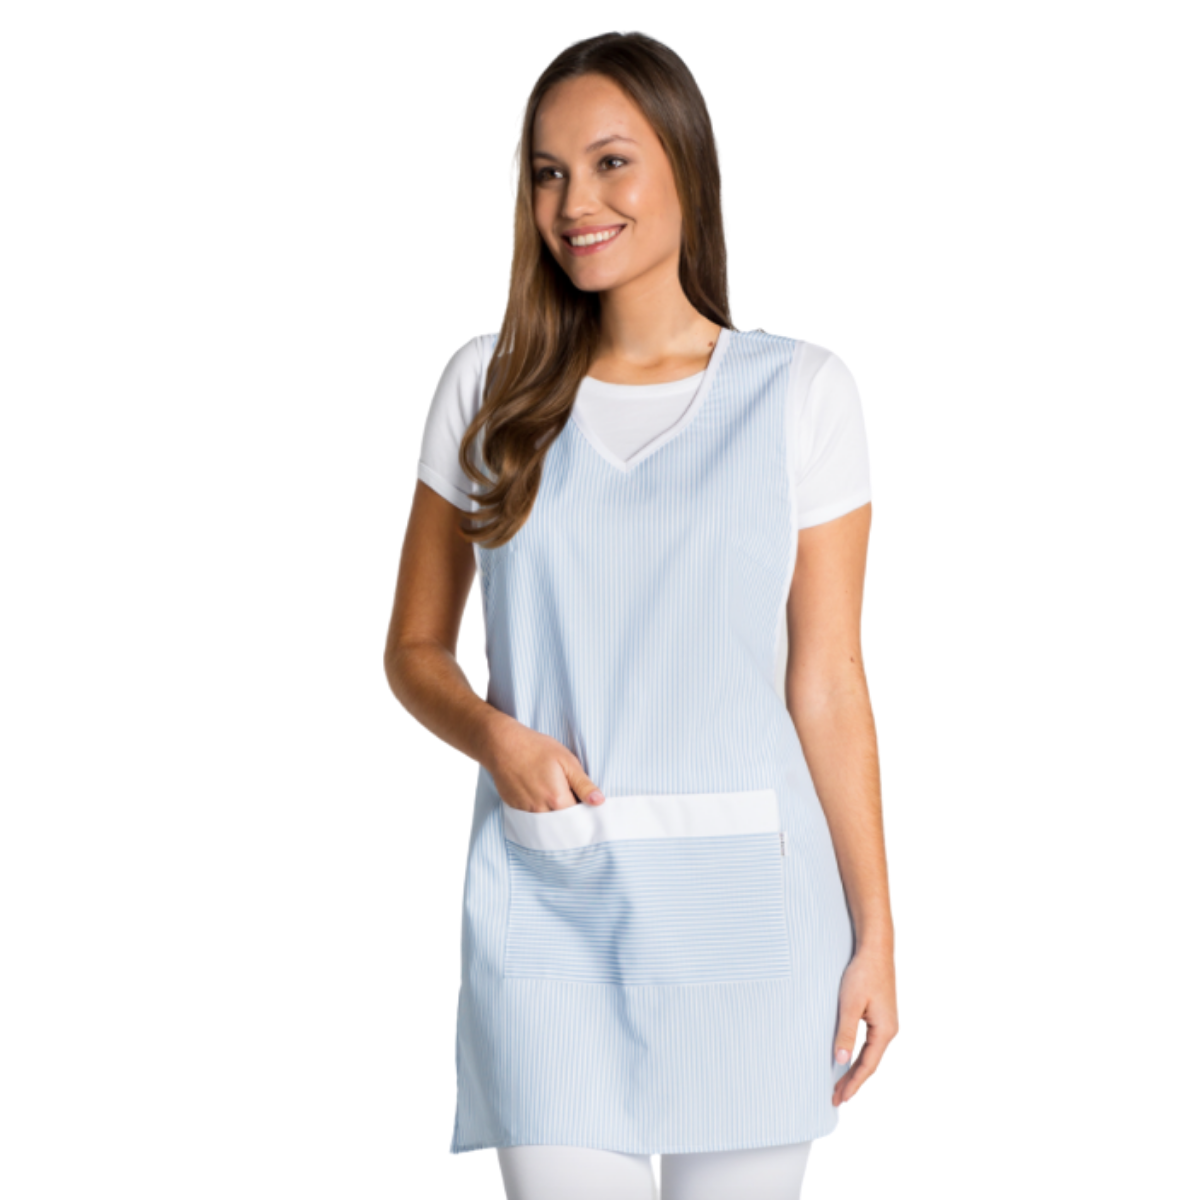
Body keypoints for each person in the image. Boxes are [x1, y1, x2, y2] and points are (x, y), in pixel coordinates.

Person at [384, 30, 898, 1200]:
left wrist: (876, 931)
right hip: (551, 907)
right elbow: (413, 650)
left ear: (684, 165)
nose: (576, 203)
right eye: (549, 173)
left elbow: (827, 681)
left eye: (611, 162)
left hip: (751, 914)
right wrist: (495, 738)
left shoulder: (800, 394)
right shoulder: (486, 391)